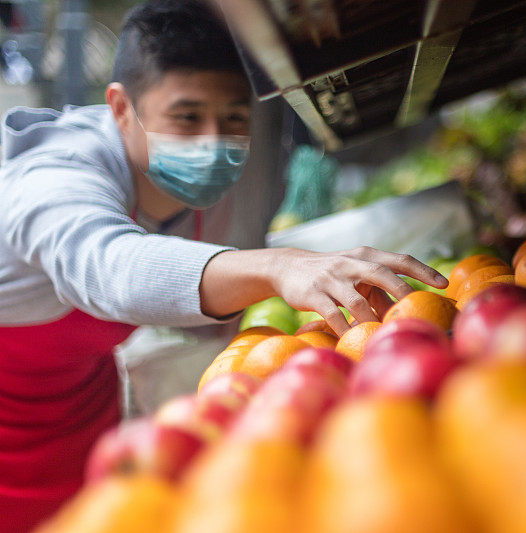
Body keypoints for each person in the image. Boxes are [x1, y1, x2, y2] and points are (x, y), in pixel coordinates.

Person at [0, 1, 447, 530]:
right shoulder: (54, 178)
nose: (214, 142)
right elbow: (113, 268)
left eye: (234, 118)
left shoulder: (192, 192)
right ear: (122, 107)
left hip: (86, 410)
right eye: (187, 117)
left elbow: (199, 286)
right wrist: (279, 265)